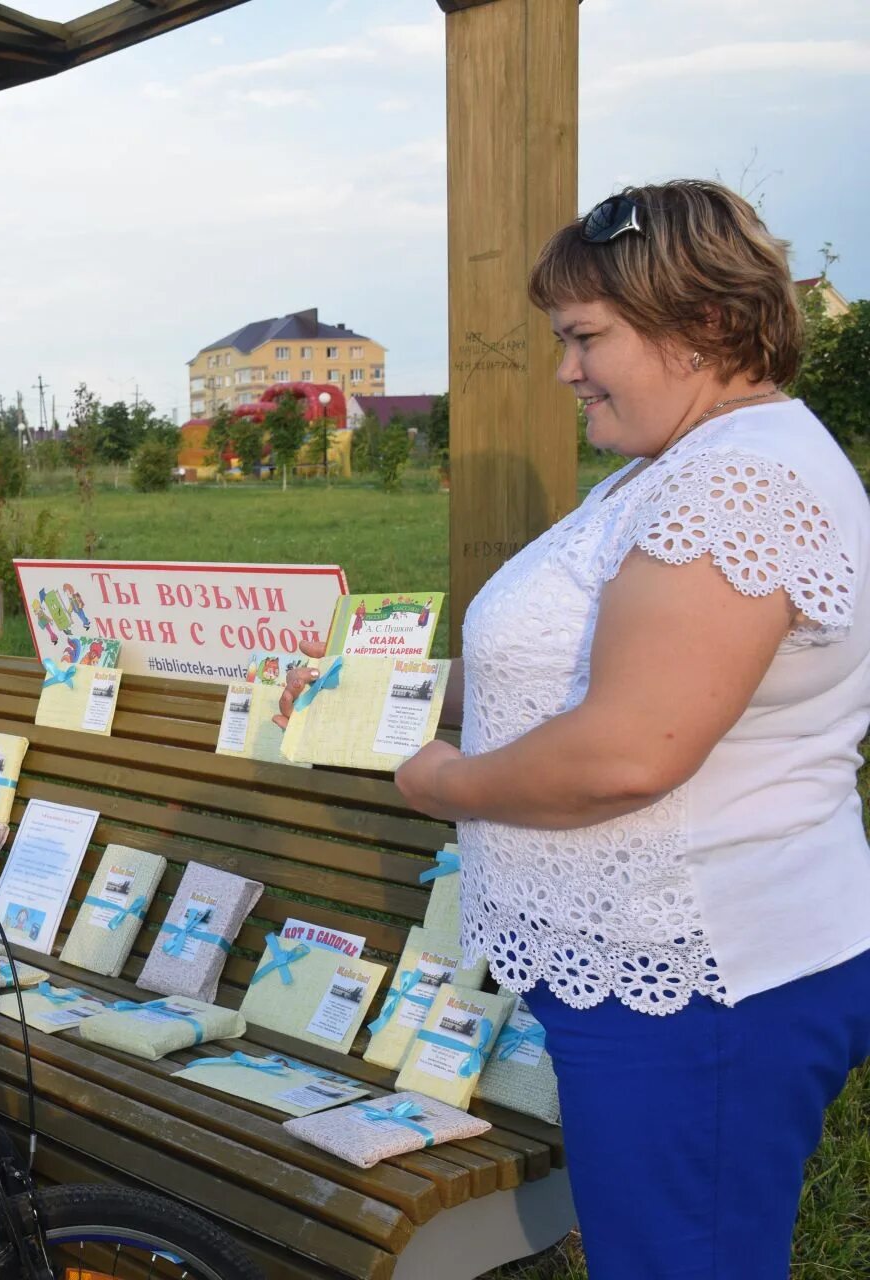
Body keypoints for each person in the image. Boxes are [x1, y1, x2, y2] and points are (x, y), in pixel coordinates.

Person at [298, 181, 870, 1278]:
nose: (565, 370)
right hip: (658, 978)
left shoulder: (739, 483)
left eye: (584, 338)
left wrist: (443, 783)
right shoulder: (683, 464)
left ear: (701, 323)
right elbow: (562, 666)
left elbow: (626, 750)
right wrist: (365, 682)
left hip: (704, 984)